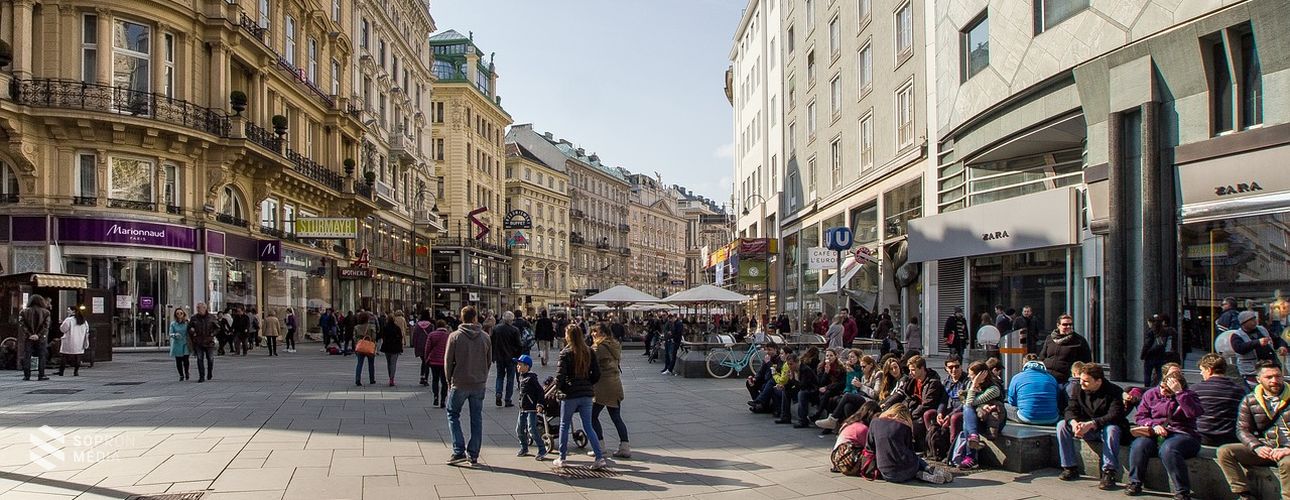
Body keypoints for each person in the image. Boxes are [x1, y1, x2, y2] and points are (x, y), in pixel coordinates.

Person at [1218, 360, 1290, 500]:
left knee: (1287, 463)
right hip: (1268, 447)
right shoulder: (1250, 400)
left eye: (1278, 376)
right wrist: (1257, 447)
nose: (1274, 380)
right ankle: (1244, 494)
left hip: (1287, 450)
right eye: (1269, 377)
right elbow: (1242, 429)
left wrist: (1288, 448)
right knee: (1224, 451)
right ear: (1258, 379)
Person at [1125, 371, 1202, 498]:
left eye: (1167, 390)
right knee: (1139, 445)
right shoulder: (1151, 394)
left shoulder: (1189, 395)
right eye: (1161, 387)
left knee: (1169, 449)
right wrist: (1154, 424)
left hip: (1183, 434)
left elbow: (1193, 413)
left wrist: (1180, 394)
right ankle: (1135, 482)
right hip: (1155, 432)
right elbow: (1140, 417)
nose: (1162, 391)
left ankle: (1182, 490)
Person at [1056, 363, 1126, 489]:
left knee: (1112, 430)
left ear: (1098, 381)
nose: (1082, 384)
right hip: (1083, 426)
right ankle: (1069, 467)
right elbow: (1070, 409)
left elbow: (1115, 415)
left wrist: (1092, 423)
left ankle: (1108, 472)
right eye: (1081, 380)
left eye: (1086, 381)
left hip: (1102, 426)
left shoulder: (1114, 391)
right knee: (1062, 425)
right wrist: (1074, 423)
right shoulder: (1078, 389)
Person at [554, 324, 607, 470]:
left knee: (564, 425)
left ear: (569, 336)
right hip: (587, 394)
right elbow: (597, 374)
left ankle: (562, 458)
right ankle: (599, 457)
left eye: (566, 333)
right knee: (588, 426)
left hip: (570, 394)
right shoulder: (589, 351)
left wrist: (560, 388)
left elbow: (560, 376)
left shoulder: (566, 353)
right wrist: (588, 383)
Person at [444, 306, 491, 465]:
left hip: (459, 381)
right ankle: (473, 453)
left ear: (461, 318)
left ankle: (458, 451)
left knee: (452, 413)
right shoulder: (485, 337)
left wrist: (449, 381)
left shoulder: (454, 336)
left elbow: (448, 362)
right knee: (476, 418)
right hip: (478, 383)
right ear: (475, 318)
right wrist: (483, 376)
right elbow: (489, 361)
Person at [866, 403, 954, 484]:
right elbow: (910, 451)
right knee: (916, 459)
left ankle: (921, 474)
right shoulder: (904, 427)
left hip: (886, 473)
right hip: (908, 469)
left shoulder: (874, 423)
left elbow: (869, 448)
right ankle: (926, 469)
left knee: (908, 461)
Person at [591, 325, 631, 458]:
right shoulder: (615, 345)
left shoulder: (598, 347)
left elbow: (589, 363)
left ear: (602, 333)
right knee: (616, 417)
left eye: (595, 331)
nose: (592, 334)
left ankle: (600, 446)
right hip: (615, 384)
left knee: (592, 416)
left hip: (602, 386)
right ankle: (625, 447)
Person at [1193, 353, 1246, 446]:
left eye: (1202, 370)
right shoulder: (1239, 391)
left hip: (1202, 438)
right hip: (1230, 439)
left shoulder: (1195, 389)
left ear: (1209, 370)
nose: (1201, 373)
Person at [1229, 310, 1289, 385]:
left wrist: (1282, 346)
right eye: (1251, 320)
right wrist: (1257, 342)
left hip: (1271, 367)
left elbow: (1277, 339)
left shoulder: (1262, 329)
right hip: (1252, 372)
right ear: (1243, 323)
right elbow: (1239, 348)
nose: (1254, 322)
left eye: (1254, 319)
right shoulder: (1237, 335)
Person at [1008, 358, 1062, 425]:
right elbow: (1057, 398)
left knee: (1004, 407)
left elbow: (1011, 401)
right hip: (1052, 418)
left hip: (1026, 417)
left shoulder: (1017, 377)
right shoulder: (1051, 378)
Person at [1040, 314, 1092, 384]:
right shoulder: (1050, 338)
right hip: (1047, 376)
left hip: (1065, 379)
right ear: (1058, 325)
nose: (1068, 326)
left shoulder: (1079, 340)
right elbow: (1042, 357)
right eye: (1065, 324)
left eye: (1070, 324)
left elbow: (1086, 361)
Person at [515, 354, 547, 460]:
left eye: (520, 365)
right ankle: (524, 448)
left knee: (532, 429)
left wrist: (540, 404)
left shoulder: (531, 378)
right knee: (519, 429)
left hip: (531, 408)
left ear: (527, 366)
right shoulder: (521, 377)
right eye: (517, 365)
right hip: (522, 408)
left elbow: (540, 391)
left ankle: (542, 450)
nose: (517, 366)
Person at [491, 311, 523, 407]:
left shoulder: (496, 329)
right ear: (511, 320)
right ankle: (508, 399)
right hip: (511, 358)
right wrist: (518, 357)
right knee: (510, 378)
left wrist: (493, 355)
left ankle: (498, 393)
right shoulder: (514, 330)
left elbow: (492, 343)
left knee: (500, 376)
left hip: (500, 357)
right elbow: (519, 345)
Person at [18, 294, 51, 381]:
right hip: (41, 338)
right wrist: (38, 335)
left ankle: (27, 375)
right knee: (42, 356)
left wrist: (30, 334)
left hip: (28, 338)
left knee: (27, 356)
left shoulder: (23, 312)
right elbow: (46, 326)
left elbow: (22, 325)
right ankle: (41, 375)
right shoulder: (46, 312)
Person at [1141, 313, 1176, 386]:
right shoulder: (1166, 331)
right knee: (1160, 373)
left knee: (1148, 374)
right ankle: (1159, 386)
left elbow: (1147, 344)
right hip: (1161, 355)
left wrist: (1143, 354)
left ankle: (1147, 388)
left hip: (1151, 355)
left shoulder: (1151, 332)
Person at [188, 303, 218, 382]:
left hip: (209, 341)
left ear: (205, 308)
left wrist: (213, 334)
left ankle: (209, 372)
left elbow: (217, 328)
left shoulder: (211, 317)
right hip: (198, 341)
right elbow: (189, 327)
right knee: (199, 359)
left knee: (210, 359)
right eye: (197, 308)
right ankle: (201, 376)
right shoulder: (194, 318)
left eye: (199, 308)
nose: (198, 309)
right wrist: (192, 331)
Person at [59, 307, 91, 378]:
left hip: (69, 340)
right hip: (80, 341)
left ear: (73, 311)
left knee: (64, 356)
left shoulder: (69, 320)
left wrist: (62, 323)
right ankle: (76, 371)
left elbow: (63, 329)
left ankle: (61, 371)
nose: (67, 312)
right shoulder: (84, 321)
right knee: (78, 357)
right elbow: (87, 330)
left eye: (69, 310)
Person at [427, 320, 451, 407]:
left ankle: (436, 396)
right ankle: (443, 400)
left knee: (435, 379)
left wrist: (427, 358)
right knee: (444, 381)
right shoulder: (448, 336)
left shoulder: (432, 335)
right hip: (445, 362)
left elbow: (427, 348)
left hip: (434, 361)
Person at [380, 311, 404, 386]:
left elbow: (383, 337)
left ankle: (390, 376)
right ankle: (392, 378)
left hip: (387, 348)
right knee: (393, 364)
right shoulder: (397, 328)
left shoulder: (385, 327)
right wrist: (401, 347)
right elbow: (400, 338)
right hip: (395, 348)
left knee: (389, 363)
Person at [413, 310, 434, 387]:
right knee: (427, 362)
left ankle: (422, 376)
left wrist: (414, 345)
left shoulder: (417, 325)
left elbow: (415, 335)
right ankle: (425, 378)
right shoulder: (431, 325)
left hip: (420, 346)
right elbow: (432, 336)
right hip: (428, 346)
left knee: (423, 361)